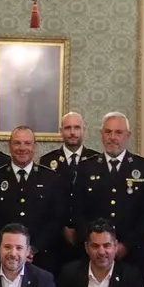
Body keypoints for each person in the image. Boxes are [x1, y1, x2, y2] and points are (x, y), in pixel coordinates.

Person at [71, 112, 144, 274]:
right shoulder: (86, 168)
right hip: (94, 255)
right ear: (101, 135)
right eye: (108, 132)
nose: (113, 137)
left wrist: (126, 245)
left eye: (118, 132)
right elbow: (77, 211)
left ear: (128, 135)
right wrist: (93, 245)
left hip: (132, 254)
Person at [0, 126, 65, 274]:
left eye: (27, 143)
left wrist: (32, 249)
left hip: (40, 258)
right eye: (17, 143)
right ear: (9, 146)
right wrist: (8, 248)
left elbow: (56, 219)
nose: (22, 148)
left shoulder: (51, 178)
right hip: (3, 258)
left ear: (35, 147)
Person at [40, 112, 102, 268]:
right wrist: (62, 227)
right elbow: (45, 201)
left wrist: (83, 230)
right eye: (68, 128)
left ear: (84, 131)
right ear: (61, 131)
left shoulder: (97, 160)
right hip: (55, 236)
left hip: (88, 236)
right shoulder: (47, 161)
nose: (73, 132)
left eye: (77, 128)